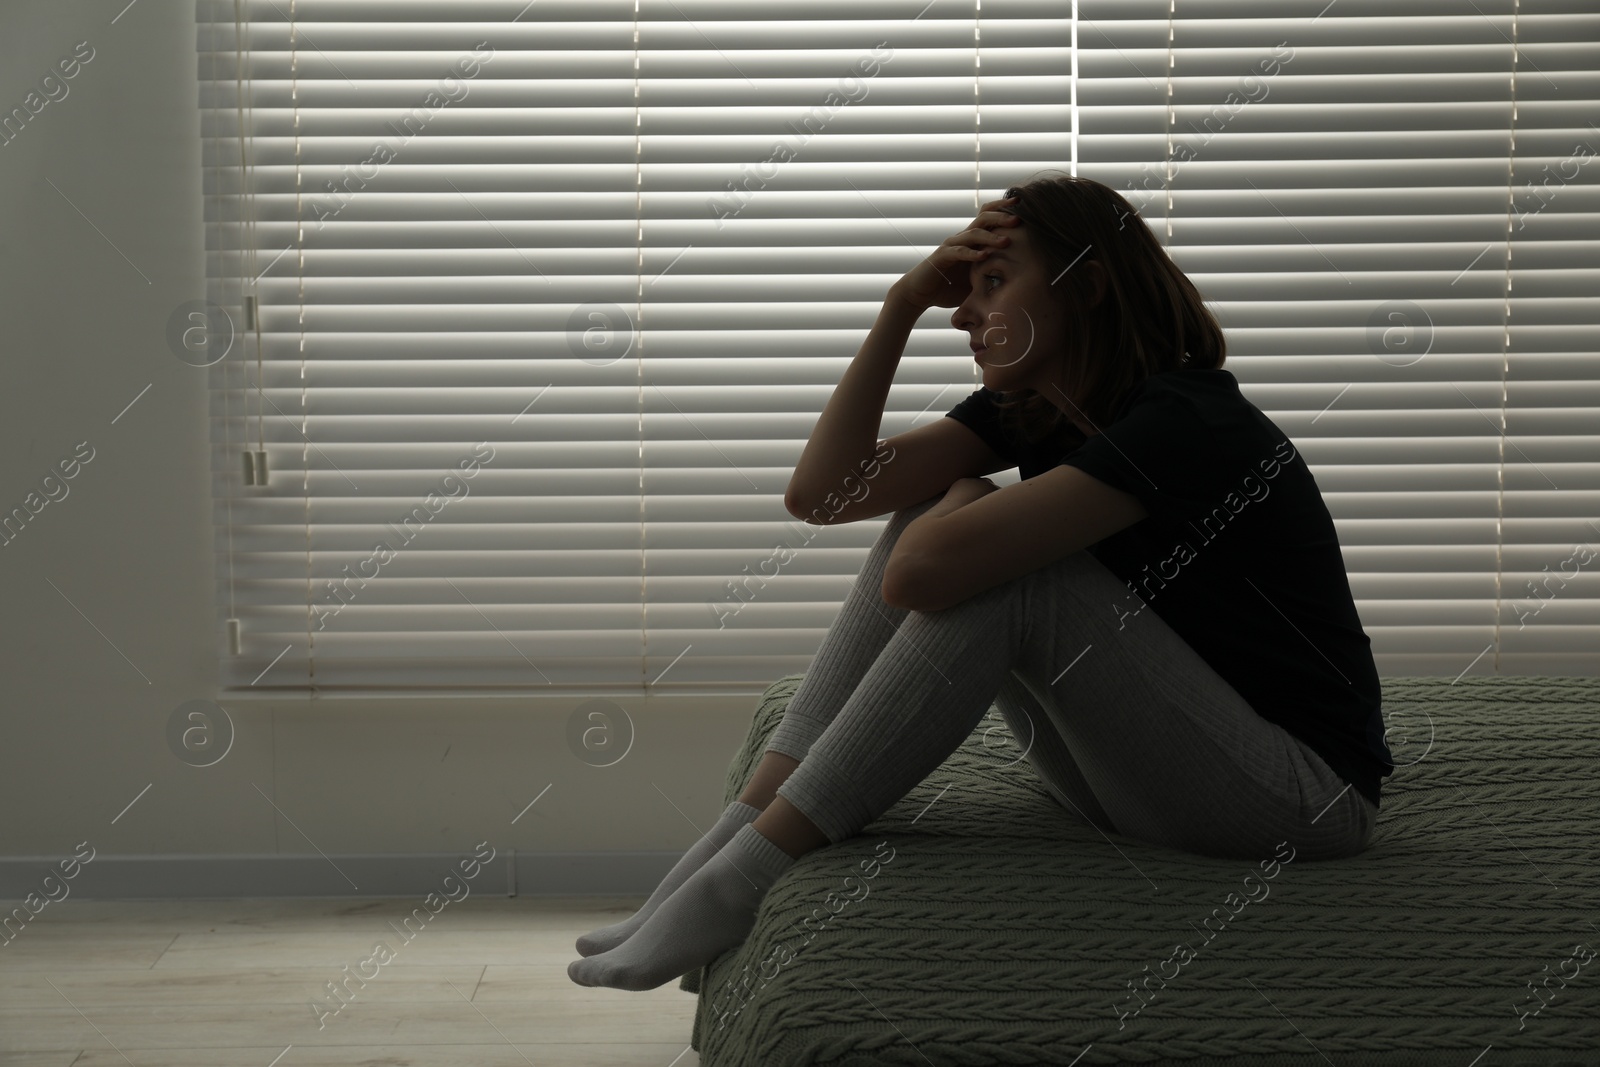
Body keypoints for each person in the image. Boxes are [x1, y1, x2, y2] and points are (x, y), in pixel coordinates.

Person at [568, 171, 1395, 992]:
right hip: (1159, 778)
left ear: (1089, 288)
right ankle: (734, 837)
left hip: (1299, 799)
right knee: (937, 513)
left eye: (994, 283)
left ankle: (740, 880)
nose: (964, 311)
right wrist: (898, 306)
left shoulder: (1185, 421)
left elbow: (922, 576)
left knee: (1015, 575)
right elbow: (822, 494)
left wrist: (963, 500)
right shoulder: (1040, 409)